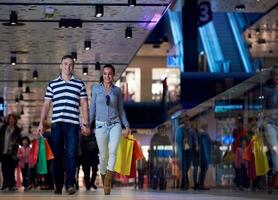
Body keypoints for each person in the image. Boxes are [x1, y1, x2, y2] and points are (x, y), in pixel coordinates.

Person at [36, 55, 90, 195]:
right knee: (57, 156)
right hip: (57, 125)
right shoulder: (52, 84)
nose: (68, 67)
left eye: (71, 64)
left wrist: (86, 124)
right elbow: (46, 104)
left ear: (73, 66)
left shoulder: (79, 84)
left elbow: (84, 104)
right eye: (65, 64)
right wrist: (41, 123)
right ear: (61, 66)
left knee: (72, 154)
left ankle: (70, 184)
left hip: (72, 125)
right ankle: (58, 184)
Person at [89, 64, 131, 195]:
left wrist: (126, 125)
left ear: (113, 75)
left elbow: (121, 110)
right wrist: (86, 124)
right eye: (105, 73)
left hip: (115, 124)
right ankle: (105, 178)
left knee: (113, 152)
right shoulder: (95, 89)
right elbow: (92, 109)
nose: (107, 76)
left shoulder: (117, 91)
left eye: (110, 73)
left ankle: (107, 180)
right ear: (103, 75)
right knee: (103, 156)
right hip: (100, 125)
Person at [262, 65, 278, 190]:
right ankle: (277, 174)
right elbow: (263, 109)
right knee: (274, 148)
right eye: (275, 74)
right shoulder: (267, 90)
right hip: (270, 123)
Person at [0, 114, 22, 191]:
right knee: (4, 168)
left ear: (15, 120)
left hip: (12, 153)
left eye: (13, 119)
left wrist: (15, 144)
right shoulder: (3, 128)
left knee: (11, 169)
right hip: (3, 151)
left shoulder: (17, 129)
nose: (11, 120)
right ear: (8, 120)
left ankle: (11, 185)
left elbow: (20, 141)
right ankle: (5, 184)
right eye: (10, 119)